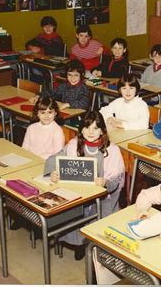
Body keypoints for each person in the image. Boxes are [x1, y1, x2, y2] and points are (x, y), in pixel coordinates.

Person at [44, 111, 125, 260]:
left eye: (95, 128)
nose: (91, 132)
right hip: (77, 194)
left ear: (102, 130)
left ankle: (92, 246)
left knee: (98, 218)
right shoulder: (74, 144)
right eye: (87, 128)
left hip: (101, 198)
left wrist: (105, 182)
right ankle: (79, 243)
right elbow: (55, 158)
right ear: (81, 129)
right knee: (68, 210)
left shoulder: (111, 150)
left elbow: (117, 179)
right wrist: (53, 172)